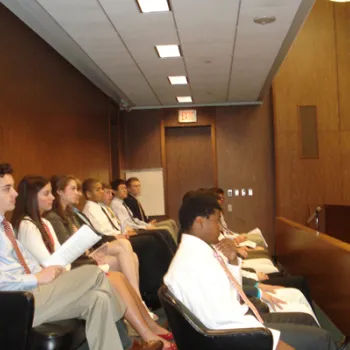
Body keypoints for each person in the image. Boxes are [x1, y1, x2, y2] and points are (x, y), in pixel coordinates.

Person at [12, 174, 173, 350]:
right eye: (46, 194)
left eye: (51, 193)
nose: (51, 197)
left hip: (60, 272)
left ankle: (135, 335)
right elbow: (49, 262)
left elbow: (59, 254)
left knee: (101, 295)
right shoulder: (27, 225)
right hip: (49, 281)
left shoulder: (44, 222)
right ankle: (140, 333)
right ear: (32, 197)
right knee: (103, 276)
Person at [164, 191, 337, 350]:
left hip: (241, 325)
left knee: (305, 320)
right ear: (199, 222)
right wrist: (275, 342)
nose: (219, 227)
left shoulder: (197, 252)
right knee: (323, 339)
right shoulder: (195, 263)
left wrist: (232, 261)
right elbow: (223, 322)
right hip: (241, 335)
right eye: (216, 221)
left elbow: (232, 295)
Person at [0, 163, 129, 350]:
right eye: (7, 189)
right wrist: (35, 278)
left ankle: (122, 342)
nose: (15, 194)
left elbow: (26, 263)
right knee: (94, 273)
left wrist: (47, 273)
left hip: (30, 292)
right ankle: (127, 322)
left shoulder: (7, 227)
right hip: (14, 303)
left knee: (97, 300)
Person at [110, 179, 177, 254]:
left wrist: (146, 225)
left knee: (162, 232)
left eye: (125, 188)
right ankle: (172, 255)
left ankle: (173, 253)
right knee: (161, 233)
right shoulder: (116, 205)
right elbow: (126, 223)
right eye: (122, 188)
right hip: (130, 231)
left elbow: (134, 219)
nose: (125, 190)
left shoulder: (121, 203)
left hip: (136, 227)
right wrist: (145, 227)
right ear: (114, 191)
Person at [125, 177, 178, 243]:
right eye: (135, 186)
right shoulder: (129, 201)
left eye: (139, 186)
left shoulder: (134, 199)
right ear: (129, 189)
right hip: (143, 226)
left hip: (146, 223)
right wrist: (147, 224)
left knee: (171, 222)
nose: (138, 188)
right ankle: (174, 247)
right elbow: (135, 219)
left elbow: (142, 216)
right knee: (167, 227)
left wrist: (149, 221)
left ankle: (178, 243)